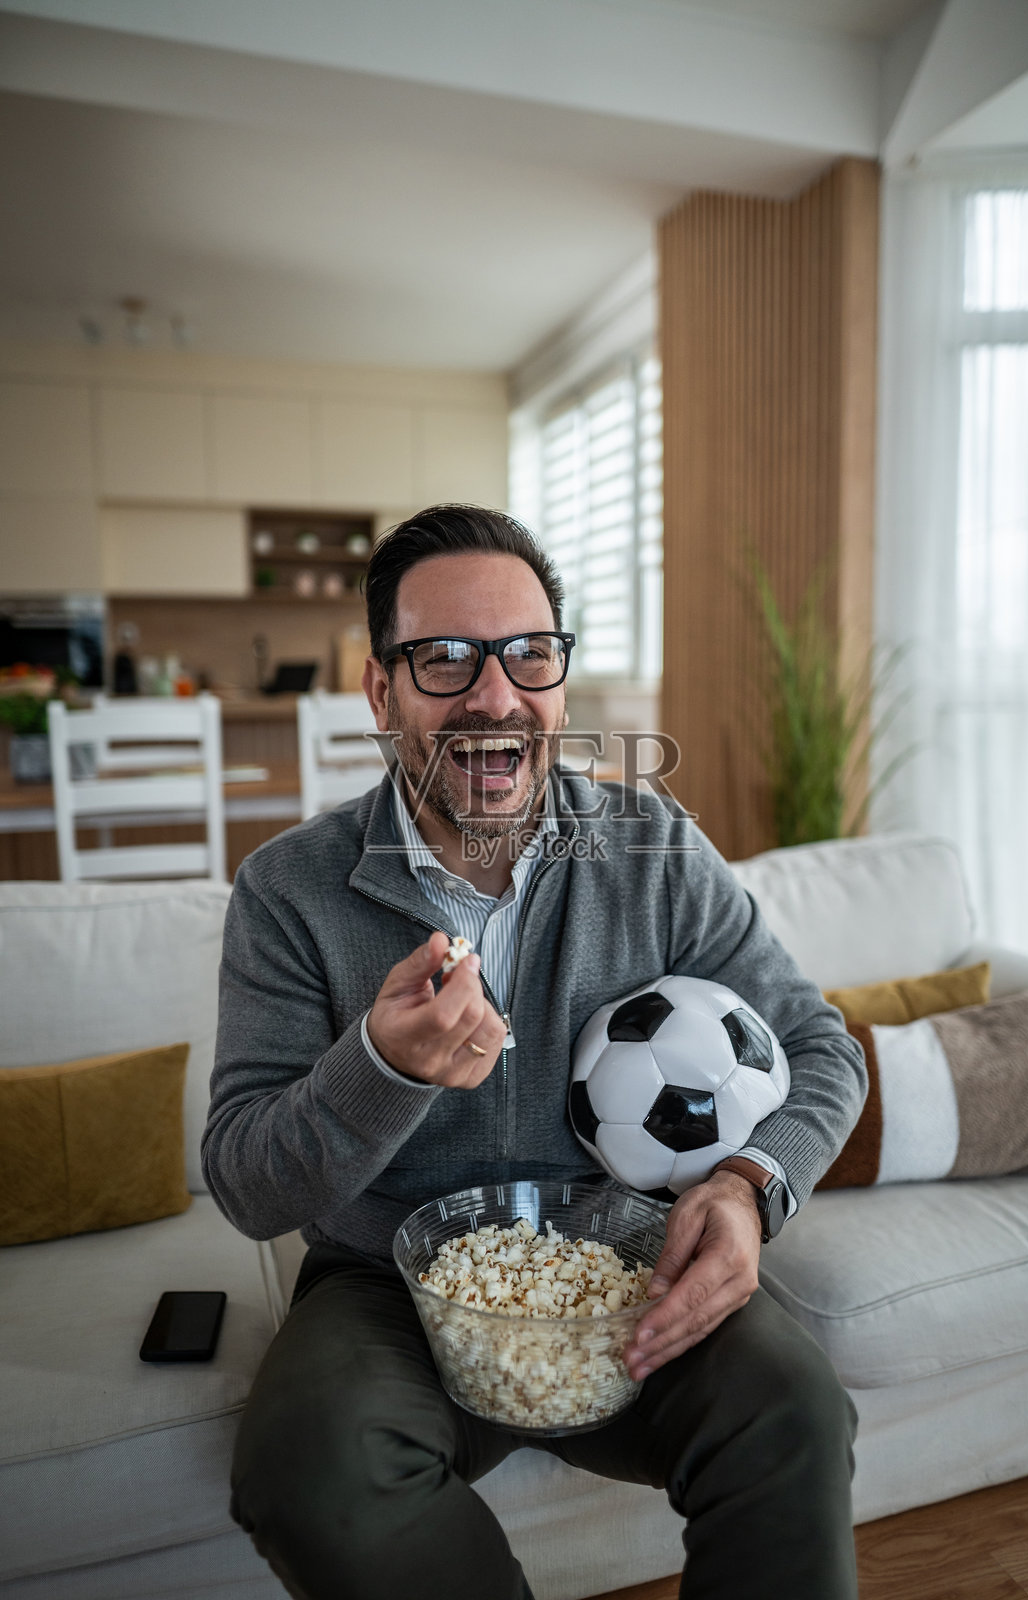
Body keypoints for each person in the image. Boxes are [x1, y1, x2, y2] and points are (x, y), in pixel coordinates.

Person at [203, 504, 867, 1600]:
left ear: (559, 676)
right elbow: (243, 1181)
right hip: (387, 1292)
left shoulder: (652, 847)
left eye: (529, 653)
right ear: (383, 691)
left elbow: (817, 1045)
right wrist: (382, 1065)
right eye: (445, 658)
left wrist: (748, 1186)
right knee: (306, 1465)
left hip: (622, 1266)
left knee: (791, 1405)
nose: (495, 694)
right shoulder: (288, 890)